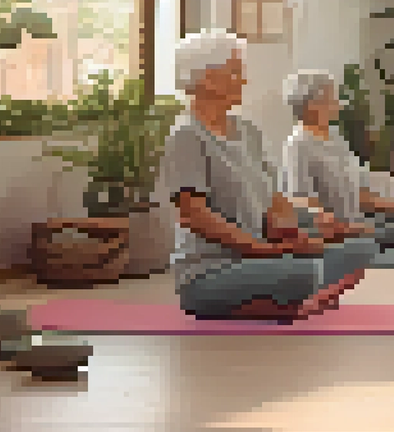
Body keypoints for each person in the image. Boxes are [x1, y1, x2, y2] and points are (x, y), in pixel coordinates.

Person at [160, 31, 379, 320]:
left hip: (263, 256)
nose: (245, 80)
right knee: (301, 272)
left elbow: (275, 200)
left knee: (360, 249)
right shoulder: (187, 136)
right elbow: (193, 216)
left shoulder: (249, 132)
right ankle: (293, 296)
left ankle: (292, 299)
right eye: (236, 72)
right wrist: (263, 250)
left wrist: (292, 233)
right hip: (211, 272)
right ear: (207, 78)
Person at [280, 69, 394, 249]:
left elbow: (358, 188)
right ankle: (376, 239)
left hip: (362, 218)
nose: (338, 104)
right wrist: (347, 228)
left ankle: (392, 234)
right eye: (331, 98)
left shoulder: (334, 136)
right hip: (341, 230)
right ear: (312, 105)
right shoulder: (298, 145)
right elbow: (303, 200)